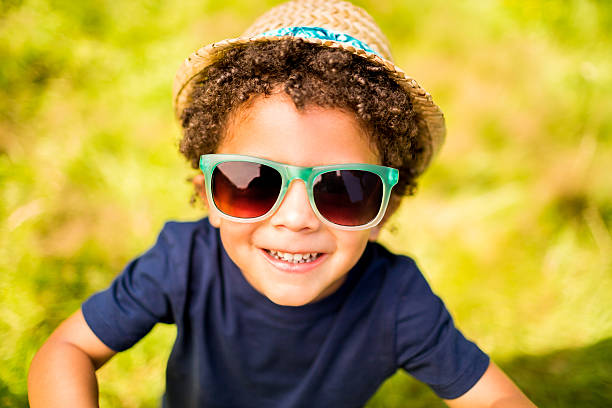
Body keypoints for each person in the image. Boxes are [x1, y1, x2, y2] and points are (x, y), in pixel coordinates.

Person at [28, 0, 536, 406]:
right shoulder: (182, 261)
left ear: (386, 210)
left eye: (343, 190)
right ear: (207, 195)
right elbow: (67, 350)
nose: (295, 219)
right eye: (252, 182)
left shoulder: (397, 302)